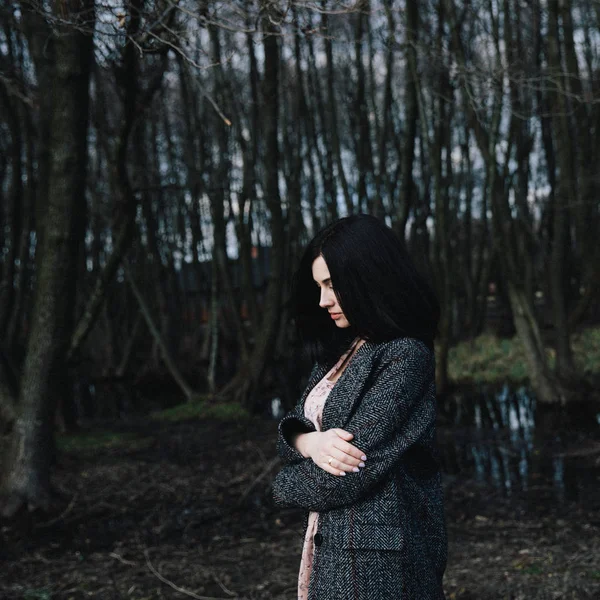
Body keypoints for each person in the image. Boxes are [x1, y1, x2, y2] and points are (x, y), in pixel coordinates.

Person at [272, 214, 447, 600]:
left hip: (379, 561)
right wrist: (308, 445)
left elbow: (352, 470)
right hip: (331, 542)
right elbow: (293, 424)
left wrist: (281, 484)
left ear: (368, 277)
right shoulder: (340, 352)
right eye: (319, 286)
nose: (322, 300)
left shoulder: (405, 356)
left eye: (331, 284)